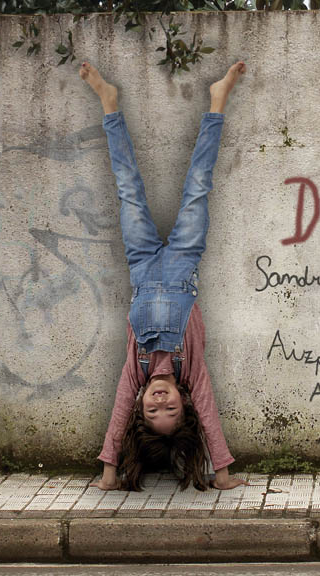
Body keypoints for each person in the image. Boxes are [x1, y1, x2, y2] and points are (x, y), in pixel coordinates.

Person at [80, 60, 247, 491]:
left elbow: (119, 411)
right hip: (184, 261)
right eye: (170, 411)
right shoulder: (189, 369)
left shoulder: (135, 373)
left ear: (142, 405)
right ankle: (217, 100)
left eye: (152, 413)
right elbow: (208, 411)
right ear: (183, 401)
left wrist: (109, 471)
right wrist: (222, 473)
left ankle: (108, 102)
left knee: (127, 187)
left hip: (140, 263)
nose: (159, 404)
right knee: (198, 184)